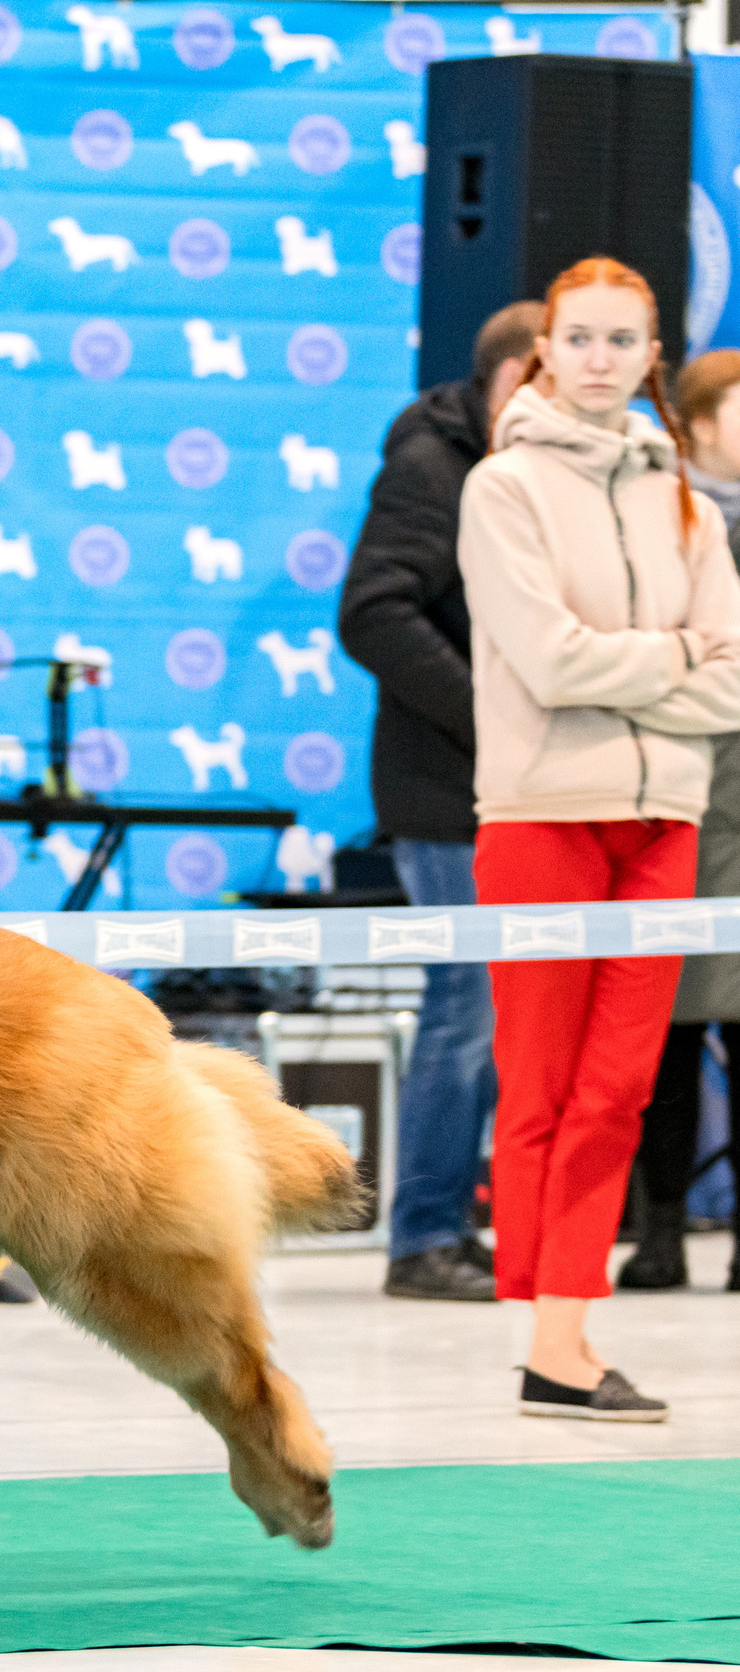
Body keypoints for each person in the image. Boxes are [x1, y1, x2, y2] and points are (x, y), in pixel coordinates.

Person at [457, 257, 740, 1421]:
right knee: (539, 1084)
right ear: (545, 350)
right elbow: (549, 658)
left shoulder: (681, 495)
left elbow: (731, 682)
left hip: (662, 821)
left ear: (649, 357)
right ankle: (543, 1326)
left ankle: (564, 1342)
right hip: (539, 817)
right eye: (579, 338)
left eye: (622, 341)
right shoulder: (501, 488)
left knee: (618, 1089)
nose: (599, 359)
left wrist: (639, 672)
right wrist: (668, 662)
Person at [338, 300, 546, 1302]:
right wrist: (489, 717)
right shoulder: (429, 466)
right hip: (446, 791)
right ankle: (422, 1234)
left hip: (520, 789)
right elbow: (369, 612)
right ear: (513, 378)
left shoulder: (534, 471)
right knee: (465, 1013)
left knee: (496, 1016)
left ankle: (458, 1224)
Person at [623, 348, 740, 1293]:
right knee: (660, 1040)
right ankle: (658, 1231)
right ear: (696, 424)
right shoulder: (662, 518)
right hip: (674, 805)